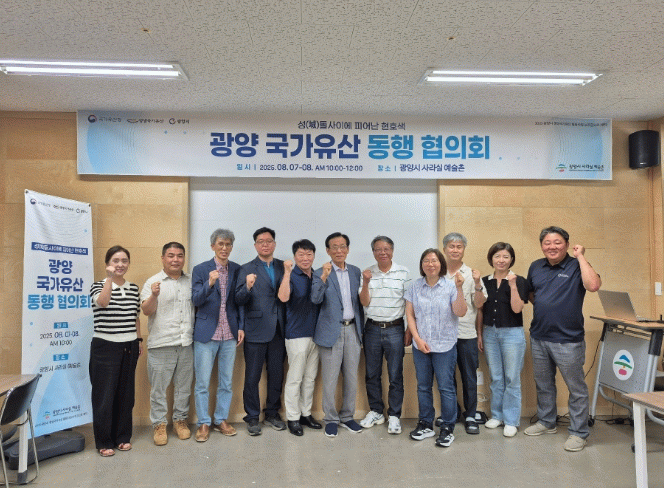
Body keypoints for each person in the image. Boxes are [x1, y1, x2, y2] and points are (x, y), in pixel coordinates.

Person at [524, 226, 601, 452]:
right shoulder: (535, 266)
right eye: (547, 243)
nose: (552, 246)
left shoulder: (577, 265)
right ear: (541, 246)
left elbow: (593, 285)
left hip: (568, 339)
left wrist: (581, 256)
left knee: (576, 388)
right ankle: (547, 421)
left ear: (567, 244)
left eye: (557, 242)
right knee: (544, 384)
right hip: (539, 336)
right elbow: (531, 293)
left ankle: (579, 433)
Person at [406, 248, 467, 448]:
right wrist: (417, 338)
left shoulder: (450, 286)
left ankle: (448, 427)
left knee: (445, 387)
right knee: (423, 386)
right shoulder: (414, 286)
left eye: (434, 260)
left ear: (441, 264)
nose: (430, 264)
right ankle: (425, 424)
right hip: (421, 345)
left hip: (445, 345)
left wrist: (459, 289)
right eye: (426, 261)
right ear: (422, 265)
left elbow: (460, 312)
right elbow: (410, 315)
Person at [89, 245, 142, 457]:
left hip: (129, 346)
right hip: (105, 346)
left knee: (126, 395)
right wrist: (109, 279)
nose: (120, 264)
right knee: (104, 395)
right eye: (116, 260)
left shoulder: (133, 288)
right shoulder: (98, 286)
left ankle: (122, 437)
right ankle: (104, 441)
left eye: (124, 261)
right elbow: (103, 303)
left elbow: (136, 317)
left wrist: (139, 340)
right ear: (107, 263)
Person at [140, 242, 195, 446]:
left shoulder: (191, 281)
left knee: (184, 387)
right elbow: (146, 311)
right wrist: (154, 295)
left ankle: (180, 420)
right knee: (159, 389)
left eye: (179, 256)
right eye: (171, 256)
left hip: (186, 343)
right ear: (163, 258)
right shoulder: (153, 282)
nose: (175, 260)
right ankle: (159, 424)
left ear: (184, 258)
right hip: (161, 343)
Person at [191, 229, 242, 442]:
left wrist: (241, 326)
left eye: (228, 244)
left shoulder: (237, 269)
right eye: (220, 244)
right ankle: (204, 422)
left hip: (229, 333)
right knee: (202, 382)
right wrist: (209, 284)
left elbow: (240, 302)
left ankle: (221, 419)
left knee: (226, 382)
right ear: (213, 246)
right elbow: (196, 300)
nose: (224, 248)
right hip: (206, 333)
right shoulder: (200, 269)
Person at [312, 232, 364, 437]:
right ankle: (331, 419)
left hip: (352, 329)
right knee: (330, 379)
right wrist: (324, 277)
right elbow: (315, 299)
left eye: (343, 246)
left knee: (351, 378)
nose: (339, 250)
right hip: (330, 331)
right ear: (328, 251)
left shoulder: (356, 272)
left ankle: (348, 417)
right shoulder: (319, 272)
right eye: (334, 247)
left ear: (348, 249)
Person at [235, 227, 287, 436]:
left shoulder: (284, 266)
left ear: (274, 244)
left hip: (280, 329)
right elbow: (238, 299)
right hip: (255, 329)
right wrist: (247, 287)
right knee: (252, 377)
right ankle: (252, 417)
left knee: (276, 375)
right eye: (260, 241)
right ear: (255, 245)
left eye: (269, 241)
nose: (265, 244)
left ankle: (273, 413)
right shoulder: (246, 268)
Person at [359, 236, 410, 435]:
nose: (383, 252)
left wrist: (408, 329)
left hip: (395, 328)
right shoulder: (367, 273)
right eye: (378, 249)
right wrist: (365, 282)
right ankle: (376, 411)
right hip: (372, 328)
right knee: (372, 374)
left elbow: (409, 304)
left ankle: (394, 415)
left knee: (395, 374)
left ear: (392, 251)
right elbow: (364, 302)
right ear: (373, 252)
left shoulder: (404, 273)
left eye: (386, 249)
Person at [477, 242, 528, 438]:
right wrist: (480, 334)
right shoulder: (484, 281)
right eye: (497, 256)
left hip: (512, 334)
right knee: (496, 377)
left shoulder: (519, 280)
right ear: (491, 259)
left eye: (505, 256)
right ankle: (497, 415)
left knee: (512, 378)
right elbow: (480, 310)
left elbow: (517, 308)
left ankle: (511, 420)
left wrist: (512, 285)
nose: (501, 260)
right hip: (490, 333)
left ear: (511, 259)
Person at [441, 232, 487, 434]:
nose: (455, 250)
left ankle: (470, 415)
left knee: (469, 377)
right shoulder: (437, 273)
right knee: (446, 378)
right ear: (444, 249)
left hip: (466, 334)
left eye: (459, 247)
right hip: (443, 335)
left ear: (464, 250)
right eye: (451, 246)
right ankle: (451, 413)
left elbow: (479, 304)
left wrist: (477, 284)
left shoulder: (471, 274)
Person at [278, 239, 322, 436]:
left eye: (309, 254)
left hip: (316, 335)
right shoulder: (291, 275)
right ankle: (293, 417)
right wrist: (287, 273)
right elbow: (283, 297)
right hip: (296, 335)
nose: (305, 258)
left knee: (310, 378)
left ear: (314, 256)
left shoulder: (317, 275)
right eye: (301, 255)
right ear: (295, 256)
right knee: (295, 379)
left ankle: (306, 413)